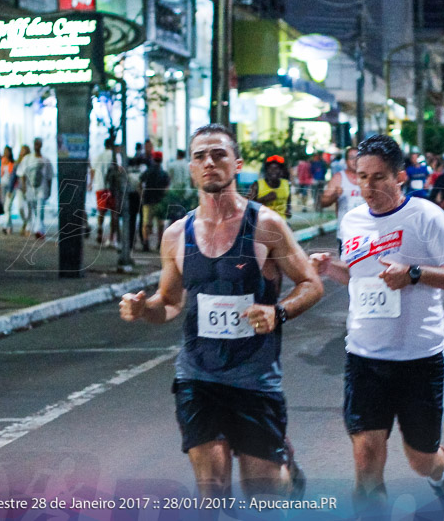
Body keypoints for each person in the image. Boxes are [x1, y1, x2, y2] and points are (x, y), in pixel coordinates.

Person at [119, 123, 322, 497]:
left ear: (237, 164)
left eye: (218, 155)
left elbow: (312, 284)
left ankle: (283, 465)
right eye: (200, 157)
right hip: (198, 378)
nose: (209, 162)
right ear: (192, 168)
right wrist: (141, 309)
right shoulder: (177, 234)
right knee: (211, 491)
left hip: (254, 380)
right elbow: (168, 303)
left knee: (262, 495)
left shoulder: (266, 226)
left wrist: (278, 313)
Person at [310, 135, 444, 512]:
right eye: (362, 177)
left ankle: (439, 471)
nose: (368, 186)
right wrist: (329, 268)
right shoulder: (352, 221)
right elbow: (361, 277)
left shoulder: (425, 216)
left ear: (399, 177)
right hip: (364, 358)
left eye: (378, 177)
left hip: (420, 359)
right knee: (366, 460)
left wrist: (414, 274)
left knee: (420, 458)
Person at [17, 137, 53, 238]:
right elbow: (22, 174)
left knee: (40, 209)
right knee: (31, 209)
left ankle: (39, 229)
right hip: (30, 188)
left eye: (38, 144)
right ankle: (30, 227)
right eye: (35, 144)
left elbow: (49, 177)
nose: (37, 146)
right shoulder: (27, 159)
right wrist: (24, 187)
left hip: (42, 188)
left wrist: (49, 190)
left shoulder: (46, 160)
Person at [320, 146, 364, 226]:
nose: (354, 161)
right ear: (346, 161)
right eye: (351, 158)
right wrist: (335, 195)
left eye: (357, 157)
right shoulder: (338, 178)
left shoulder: (369, 178)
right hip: (346, 232)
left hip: (367, 231)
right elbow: (323, 202)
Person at [90, 139, 118, 246]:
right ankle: (111, 237)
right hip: (112, 188)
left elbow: (92, 170)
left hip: (99, 186)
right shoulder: (114, 156)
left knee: (101, 211)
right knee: (113, 212)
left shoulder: (98, 156)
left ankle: (100, 231)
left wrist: (91, 183)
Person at [247, 155, 292, 220]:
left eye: (276, 168)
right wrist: (264, 199)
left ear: (281, 171)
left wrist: (288, 210)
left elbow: (288, 202)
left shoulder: (286, 184)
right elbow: (248, 206)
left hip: (282, 223)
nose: (273, 171)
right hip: (262, 224)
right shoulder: (257, 185)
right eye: (270, 168)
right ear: (266, 170)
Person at [0, 146, 16, 234]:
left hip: (10, 187)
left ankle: (5, 226)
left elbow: (13, 177)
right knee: (6, 207)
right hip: (2, 186)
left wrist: (11, 189)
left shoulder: (12, 163)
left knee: (7, 207)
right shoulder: (1, 162)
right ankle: (10, 226)